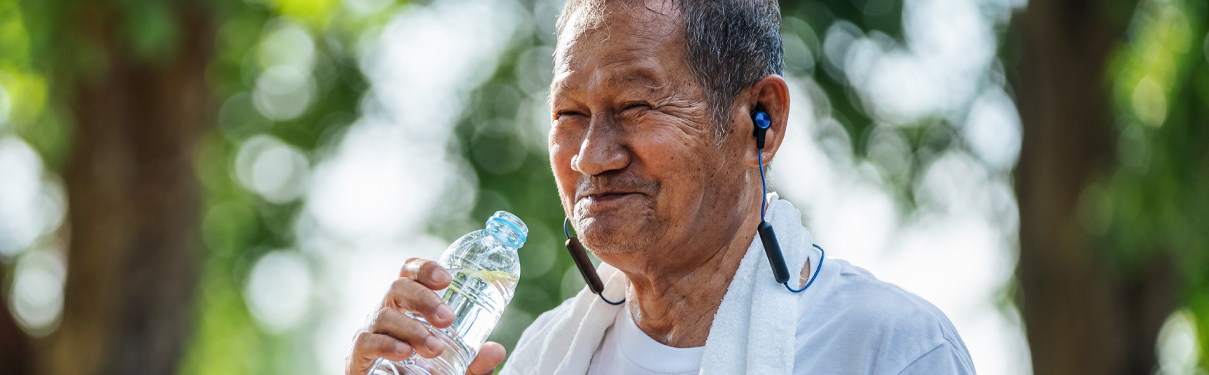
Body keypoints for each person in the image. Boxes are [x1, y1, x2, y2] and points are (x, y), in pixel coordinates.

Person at [343, 0, 975, 374]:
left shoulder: (887, 349)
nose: (592, 157)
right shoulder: (546, 355)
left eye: (636, 106)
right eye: (569, 115)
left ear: (763, 119)